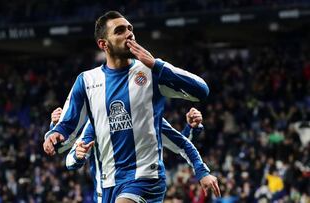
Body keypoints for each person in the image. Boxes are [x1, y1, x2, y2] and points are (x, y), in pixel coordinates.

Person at [43, 11, 220, 202]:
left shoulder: (150, 72)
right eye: (120, 31)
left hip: (146, 180)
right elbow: (64, 140)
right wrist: (53, 135)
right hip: (107, 188)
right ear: (103, 44)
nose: (129, 34)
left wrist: (155, 64)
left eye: (130, 29)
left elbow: (201, 90)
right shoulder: (86, 82)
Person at [50, 107, 216, 202]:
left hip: (140, 186)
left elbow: (181, 144)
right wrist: (77, 155)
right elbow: (67, 158)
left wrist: (201, 170)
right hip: (105, 195)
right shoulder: (96, 120)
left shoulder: (147, 115)